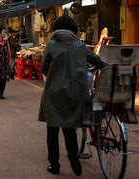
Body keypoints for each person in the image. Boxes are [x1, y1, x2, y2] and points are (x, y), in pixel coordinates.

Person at [38, 15, 107, 176]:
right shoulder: (79, 45)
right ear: (73, 29)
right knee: (70, 130)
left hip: (54, 94)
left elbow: (44, 68)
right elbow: (99, 62)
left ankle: (54, 165)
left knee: (52, 130)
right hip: (77, 93)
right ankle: (73, 157)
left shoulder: (52, 45)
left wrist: (55, 75)